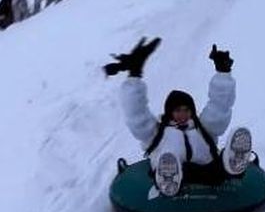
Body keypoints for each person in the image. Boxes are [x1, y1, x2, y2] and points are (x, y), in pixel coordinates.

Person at [104, 37, 253, 198]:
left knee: (219, 166)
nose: (182, 114)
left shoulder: (202, 127)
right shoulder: (157, 132)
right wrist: (134, 76)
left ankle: (233, 163)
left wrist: (223, 73)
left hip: (207, 171)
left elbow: (219, 106)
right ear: (169, 112)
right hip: (176, 173)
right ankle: (168, 181)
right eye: (177, 110)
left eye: (186, 110)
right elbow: (136, 113)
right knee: (174, 167)